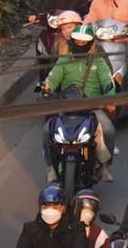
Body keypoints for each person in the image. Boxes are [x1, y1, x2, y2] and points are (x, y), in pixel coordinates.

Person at [41, 26, 118, 180]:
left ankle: (104, 167)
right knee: (46, 131)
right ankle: (50, 166)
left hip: (92, 107)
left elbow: (108, 82)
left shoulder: (99, 62)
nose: (81, 45)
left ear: (91, 44)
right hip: (66, 107)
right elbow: (52, 79)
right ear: (72, 42)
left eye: (85, 43)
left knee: (109, 130)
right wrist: (46, 89)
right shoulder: (63, 61)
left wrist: (110, 98)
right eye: (78, 42)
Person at [8, 186, 89, 248]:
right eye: (45, 206)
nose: (50, 210)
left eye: (55, 207)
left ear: (63, 208)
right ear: (40, 208)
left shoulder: (76, 228)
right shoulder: (30, 229)